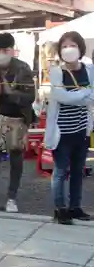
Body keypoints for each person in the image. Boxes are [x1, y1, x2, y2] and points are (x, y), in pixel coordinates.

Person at [0, 33, 35, 213]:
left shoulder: (23, 68)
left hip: (18, 118)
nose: (1, 53)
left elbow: (30, 97)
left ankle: (12, 197)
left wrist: (10, 92)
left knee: (16, 158)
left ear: (12, 49)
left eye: (5, 50)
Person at [45, 31, 93, 224]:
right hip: (62, 132)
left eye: (72, 45)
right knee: (60, 172)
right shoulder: (57, 72)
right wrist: (84, 93)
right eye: (64, 46)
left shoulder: (89, 70)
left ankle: (75, 207)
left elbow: (93, 96)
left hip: (82, 130)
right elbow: (61, 97)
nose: (68, 49)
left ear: (80, 48)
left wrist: (81, 95)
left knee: (78, 171)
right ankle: (60, 208)